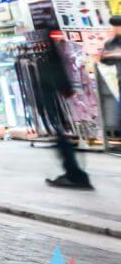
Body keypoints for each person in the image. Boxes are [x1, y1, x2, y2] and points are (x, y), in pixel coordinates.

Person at [39, 33, 93, 190]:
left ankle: (75, 175)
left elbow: (57, 69)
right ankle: (75, 174)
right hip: (59, 95)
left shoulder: (51, 44)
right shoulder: (54, 45)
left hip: (56, 97)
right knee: (62, 138)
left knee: (62, 138)